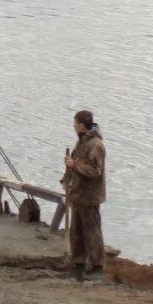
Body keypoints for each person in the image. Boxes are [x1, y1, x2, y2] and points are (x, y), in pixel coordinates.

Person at [61, 109, 107, 281]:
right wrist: (68, 176)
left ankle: (97, 267)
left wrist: (75, 164)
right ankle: (78, 263)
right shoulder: (82, 142)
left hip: (90, 196)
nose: (73, 126)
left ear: (81, 125)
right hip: (78, 194)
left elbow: (95, 171)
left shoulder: (95, 145)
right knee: (76, 231)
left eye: (75, 123)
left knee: (92, 232)